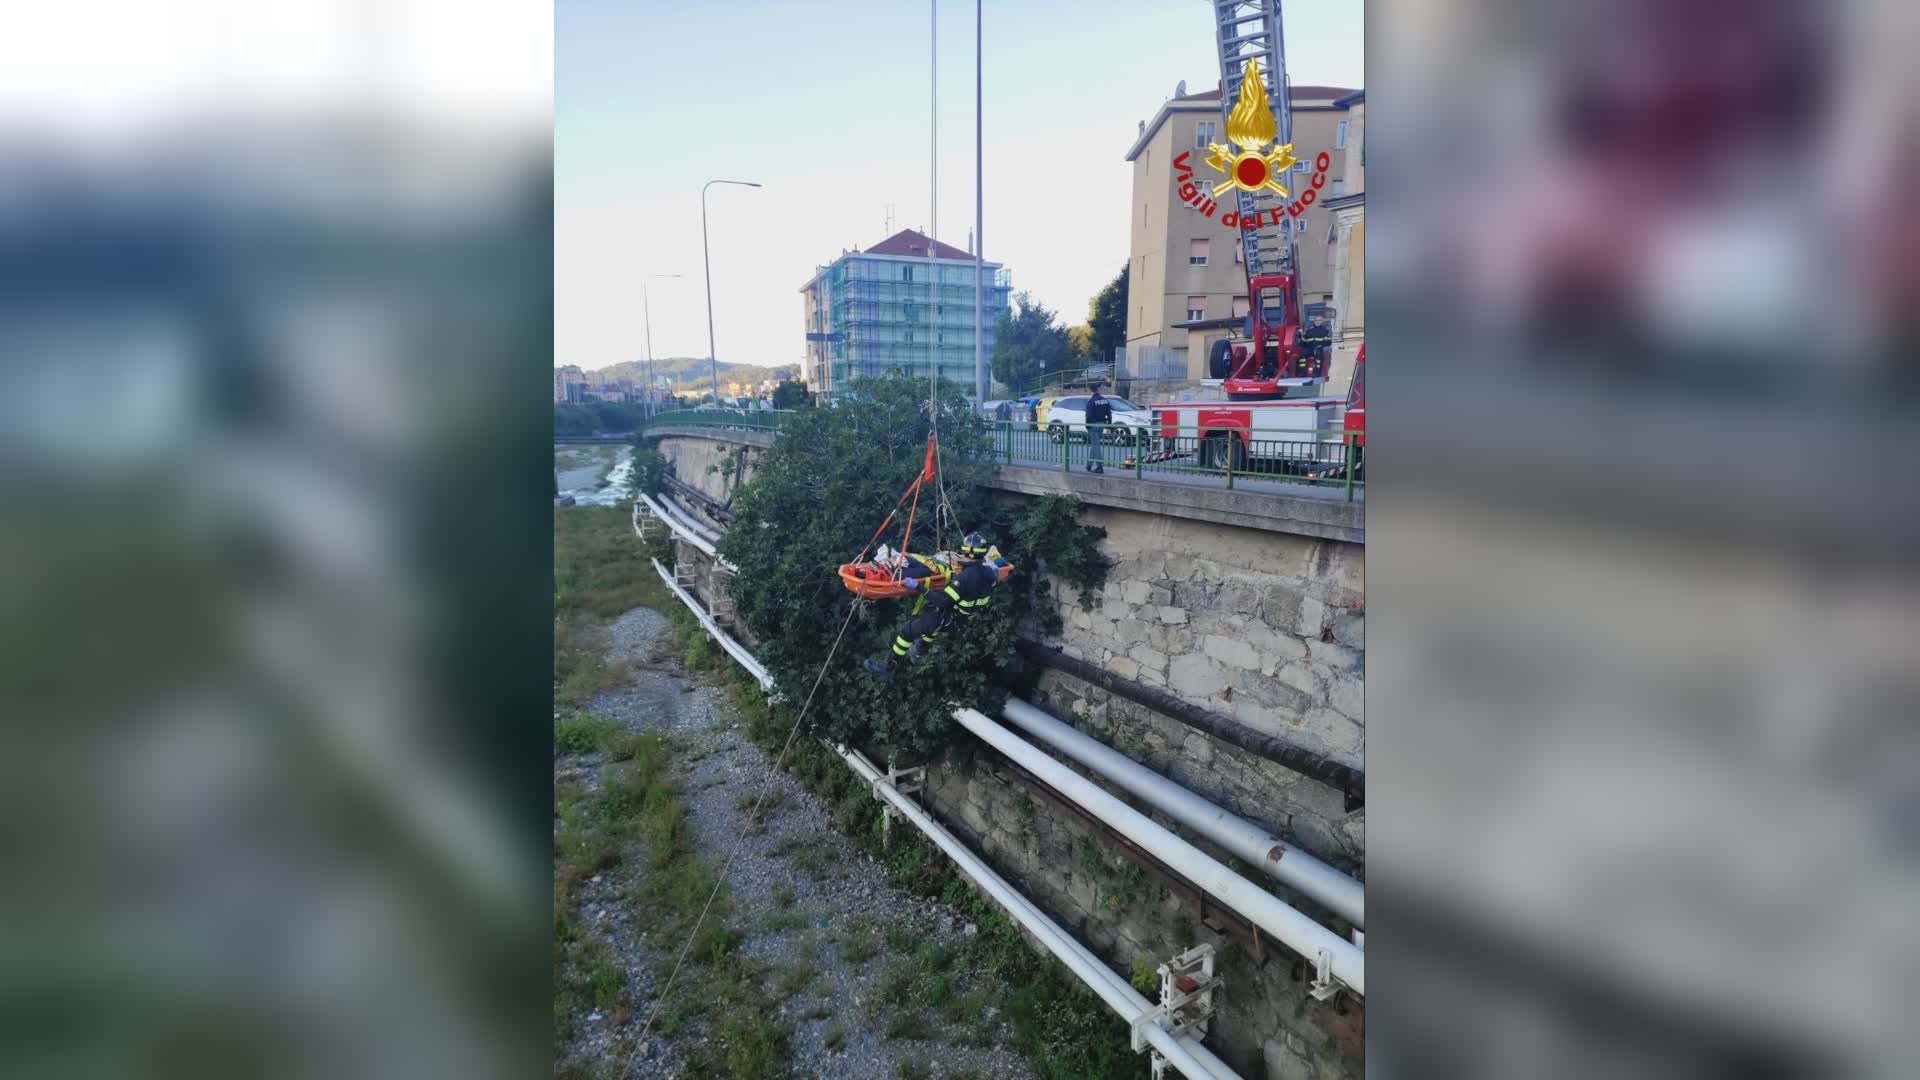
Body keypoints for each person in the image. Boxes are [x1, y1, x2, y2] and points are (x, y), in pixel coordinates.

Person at [863, 532, 1009, 681]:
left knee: (907, 633)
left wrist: (919, 587)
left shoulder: (964, 578)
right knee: (929, 620)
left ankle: (888, 668)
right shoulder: (990, 573)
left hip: (948, 618)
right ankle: (920, 649)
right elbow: (997, 566)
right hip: (962, 620)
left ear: (965, 552)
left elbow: (943, 601)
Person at [1083, 385, 1112, 474]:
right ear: (1098, 389)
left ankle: (1100, 467)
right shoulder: (1104, 400)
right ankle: (1089, 465)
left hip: (1093, 424)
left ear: (1090, 390)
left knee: (1096, 446)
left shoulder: (1091, 401)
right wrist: (1109, 424)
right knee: (1095, 445)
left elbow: (1088, 415)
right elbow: (1109, 413)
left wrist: (1087, 426)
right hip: (1102, 423)